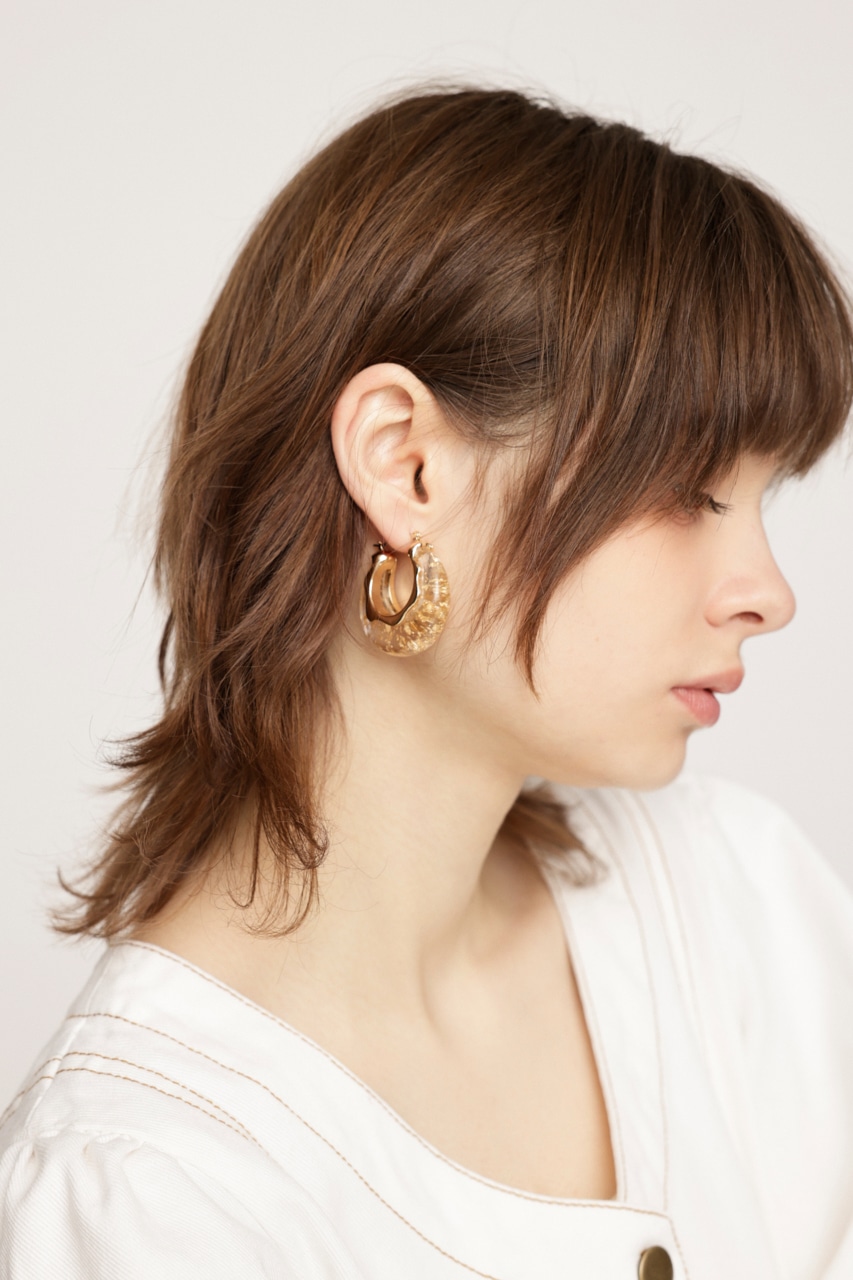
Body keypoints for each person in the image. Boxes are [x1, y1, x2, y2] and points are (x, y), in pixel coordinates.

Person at [1, 84, 852, 1280]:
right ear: (404, 468)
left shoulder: (735, 907)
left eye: (764, 498)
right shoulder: (148, 1190)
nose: (767, 590)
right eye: (692, 490)